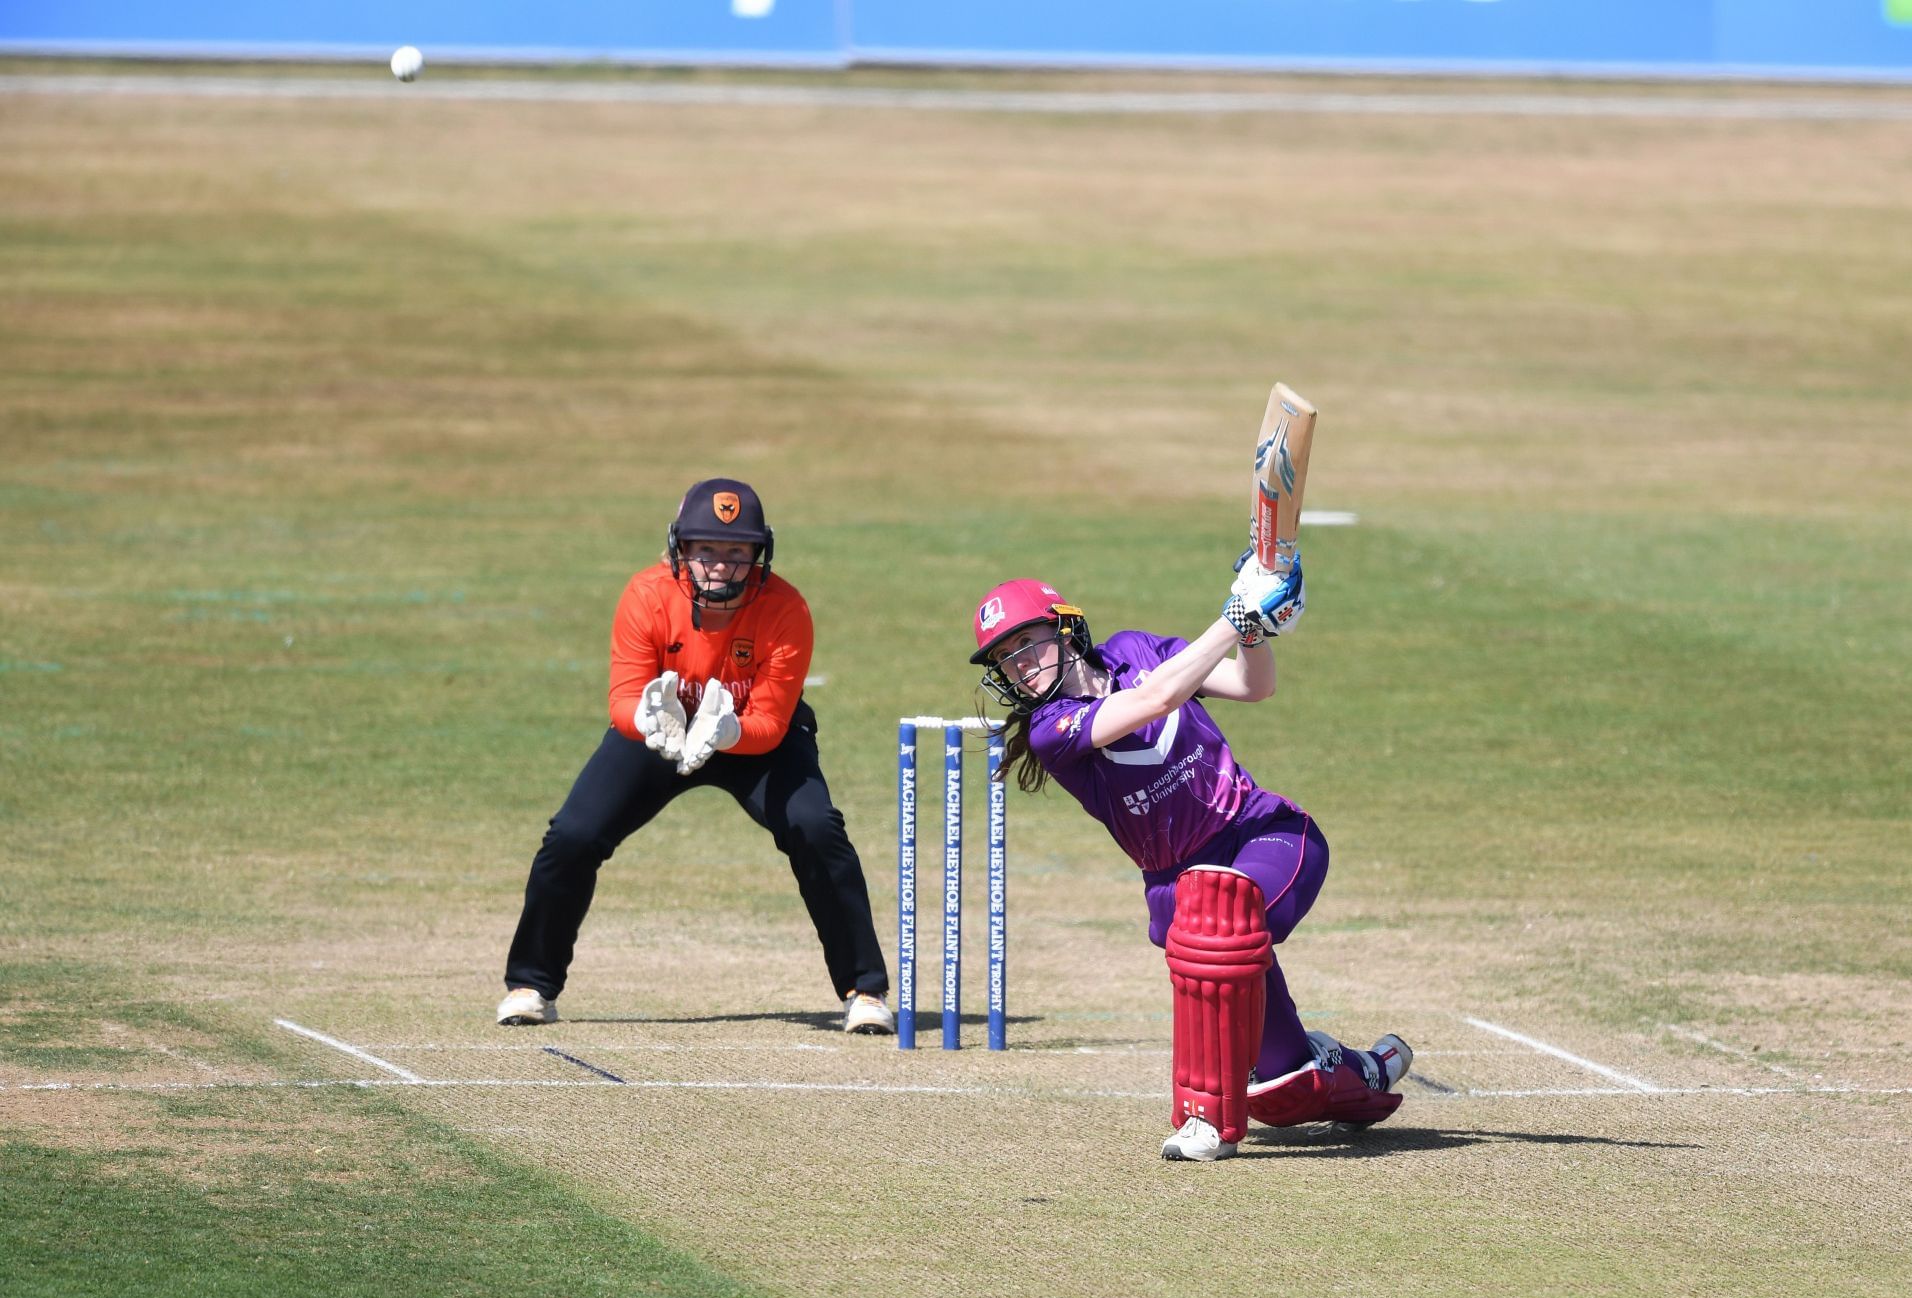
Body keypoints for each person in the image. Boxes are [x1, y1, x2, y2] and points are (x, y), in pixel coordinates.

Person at [968, 555, 1411, 1160]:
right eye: (1005, 659)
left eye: (1027, 644)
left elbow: (1255, 685)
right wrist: (1237, 615)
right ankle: (1358, 1068)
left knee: (1225, 919)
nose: (1020, 667)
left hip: (1264, 835)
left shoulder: (1136, 649)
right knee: (1284, 1094)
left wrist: (1256, 632)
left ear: (1065, 630)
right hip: (1177, 881)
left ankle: (1206, 1122)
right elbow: (1155, 700)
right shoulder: (1051, 730)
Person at [497, 478, 894, 1036]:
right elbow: (623, 700)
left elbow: (772, 721)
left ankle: (865, 990)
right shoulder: (646, 594)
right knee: (574, 835)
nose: (720, 565)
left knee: (815, 826)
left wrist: (726, 731)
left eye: (737, 552)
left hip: (751, 737)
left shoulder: (786, 607)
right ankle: (530, 984)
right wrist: (648, 722)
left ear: (759, 553)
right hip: (662, 732)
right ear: (680, 548)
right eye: (705, 549)